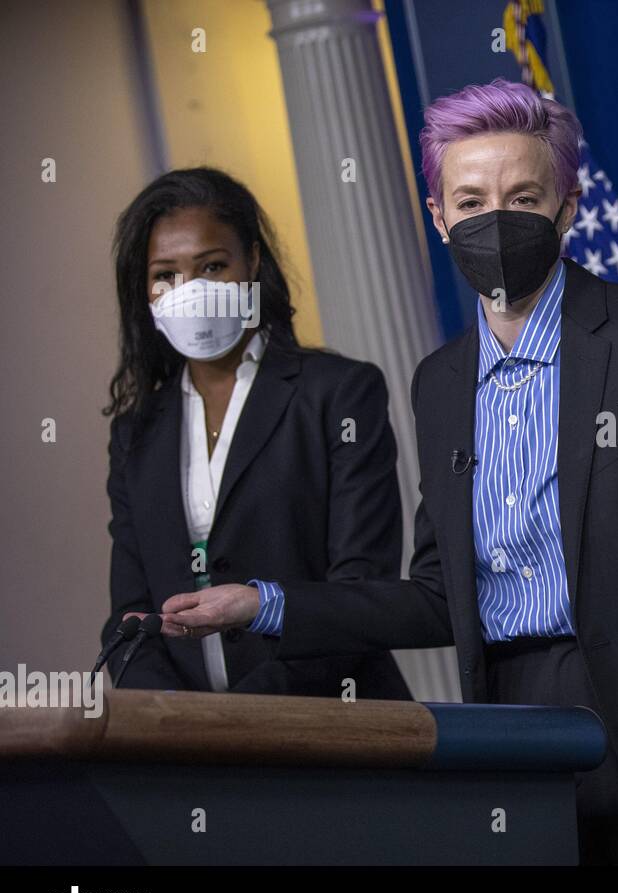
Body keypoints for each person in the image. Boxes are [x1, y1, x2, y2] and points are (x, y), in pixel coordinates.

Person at [158, 80, 618, 863]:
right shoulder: (437, 382)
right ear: (438, 216)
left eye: (522, 196)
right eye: (471, 202)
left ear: (566, 207)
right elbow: (439, 595)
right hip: (525, 741)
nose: (496, 220)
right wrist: (265, 604)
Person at [101, 167, 410, 700]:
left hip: (341, 733)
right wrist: (175, 721)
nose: (190, 291)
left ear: (254, 264)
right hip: (190, 760)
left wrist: (249, 717)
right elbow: (130, 617)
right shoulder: (138, 432)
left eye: (212, 266)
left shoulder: (338, 393)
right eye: (165, 274)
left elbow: (360, 593)